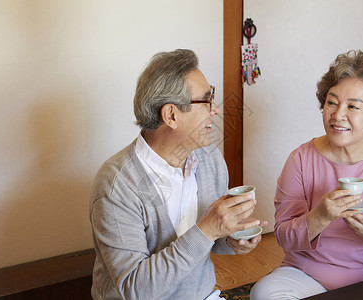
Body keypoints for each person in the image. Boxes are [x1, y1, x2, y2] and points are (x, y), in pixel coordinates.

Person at [89, 49, 267, 300]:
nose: (215, 109)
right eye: (206, 100)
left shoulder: (209, 159)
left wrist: (231, 240)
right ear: (171, 115)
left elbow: (209, 242)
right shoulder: (117, 185)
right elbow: (134, 289)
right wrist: (207, 230)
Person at [251, 50, 363, 299]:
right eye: (332, 102)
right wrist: (319, 216)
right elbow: (284, 236)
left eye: (353, 106)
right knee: (263, 293)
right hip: (307, 274)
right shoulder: (301, 159)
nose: (337, 115)